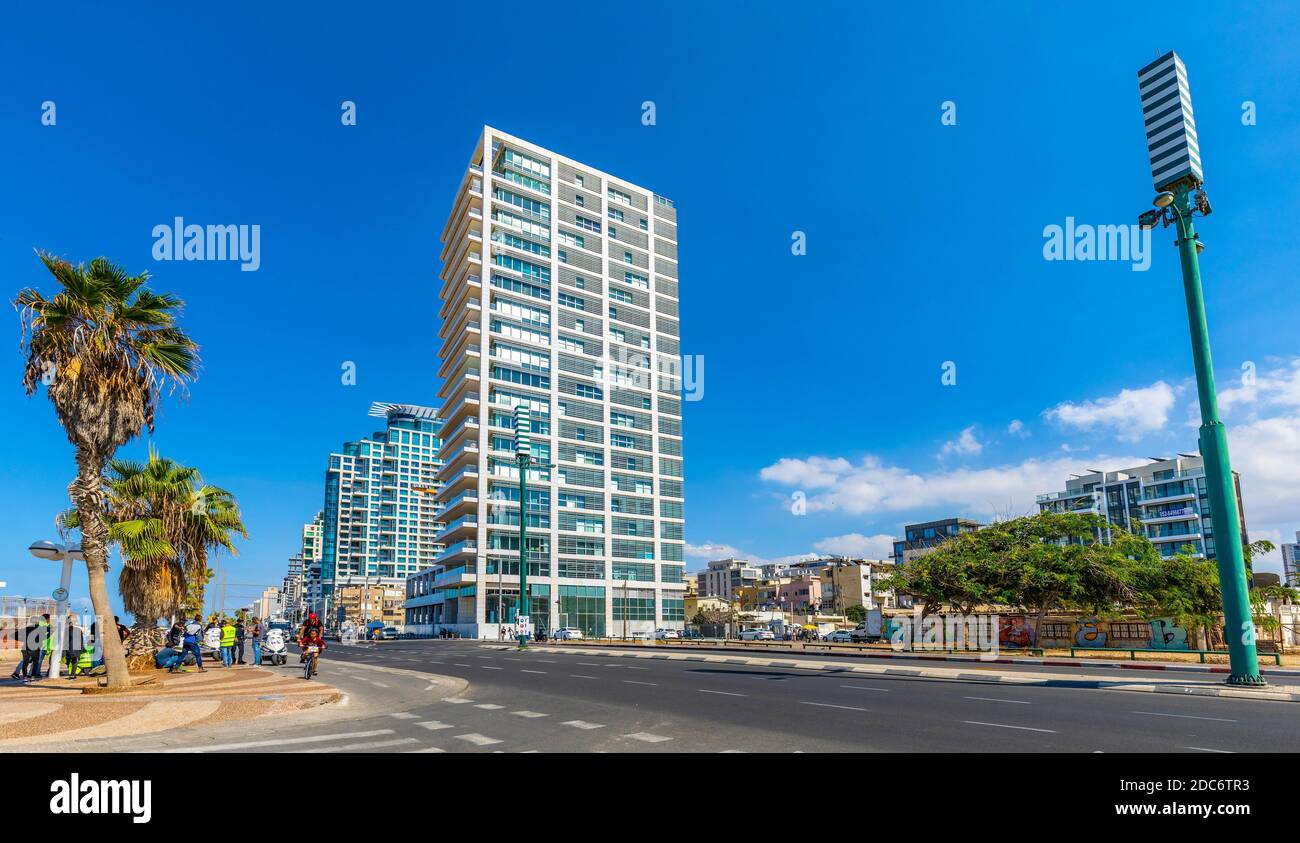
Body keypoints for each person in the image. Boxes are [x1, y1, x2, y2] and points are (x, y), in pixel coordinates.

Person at [11, 616, 41, 681]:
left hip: (25, 648)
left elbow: (14, 635)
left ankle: (25, 677)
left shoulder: (27, 628)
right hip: (35, 648)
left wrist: (23, 639)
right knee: (35, 663)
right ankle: (32, 677)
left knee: (25, 663)